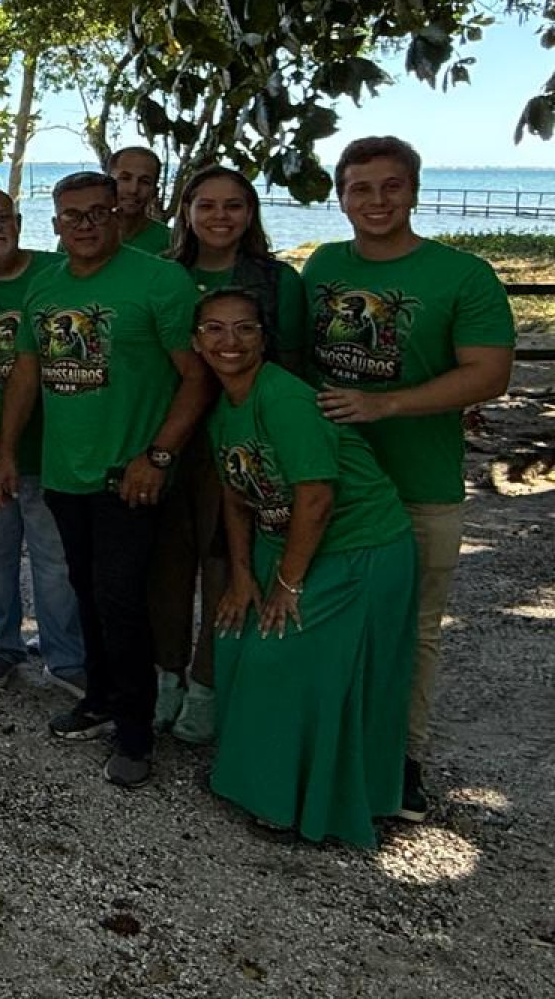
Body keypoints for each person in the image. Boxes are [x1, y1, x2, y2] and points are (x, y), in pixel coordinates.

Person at [302, 135, 514, 821]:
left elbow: (490, 372)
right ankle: (326, 749)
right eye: (360, 188)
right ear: (341, 198)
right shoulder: (323, 266)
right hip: (333, 484)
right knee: (329, 619)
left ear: (414, 191)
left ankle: (403, 759)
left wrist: (385, 404)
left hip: (421, 485)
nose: (377, 201)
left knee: (413, 630)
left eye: (391, 186)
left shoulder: (463, 275)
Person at [0, 170, 213, 789]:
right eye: (72, 215)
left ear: (119, 215)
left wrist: (159, 457)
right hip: (66, 472)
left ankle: (136, 731)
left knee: (123, 600)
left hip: (130, 476)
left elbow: (197, 378)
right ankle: (100, 699)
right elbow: (26, 374)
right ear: (55, 224)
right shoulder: (46, 285)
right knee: (84, 590)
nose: (85, 224)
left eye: (98, 212)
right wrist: (7, 451)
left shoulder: (159, 282)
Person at [196, 289, 418, 846]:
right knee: (234, 636)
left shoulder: (284, 399)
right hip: (283, 539)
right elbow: (236, 493)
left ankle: (297, 801)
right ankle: (253, 777)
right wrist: (242, 575)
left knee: (281, 652)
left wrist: (287, 584)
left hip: (356, 545)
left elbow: (316, 498)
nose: (229, 341)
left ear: (263, 338)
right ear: (196, 342)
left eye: (245, 328)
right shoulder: (225, 407)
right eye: (215, 329)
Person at [150, 165, 307, 742]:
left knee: (225, 562)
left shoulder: (277, 280)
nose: (220, 216)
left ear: (250, 213)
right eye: (207, 205)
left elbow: (293, 366)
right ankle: (165, 675)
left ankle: (208, 683)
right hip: (171, 437)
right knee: (165, 564)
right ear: (187, 212)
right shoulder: (162, 274)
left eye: (233, 205)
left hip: (243, 441)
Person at [0, 188, 84, 697]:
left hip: (52, 450)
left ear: (20, 222)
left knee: (56, 563)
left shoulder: (56, 271)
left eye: (2, 217)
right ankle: (2, 643)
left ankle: (64, 655)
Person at [109, 146, 172, 256]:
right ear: (108, 184)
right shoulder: (86, 236)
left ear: (155, 191)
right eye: (125, 178)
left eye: (145, 182)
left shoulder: (171, 242)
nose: (133, 190)